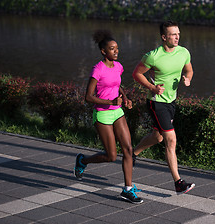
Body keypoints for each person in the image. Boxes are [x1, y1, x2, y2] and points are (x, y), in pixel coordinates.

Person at [74, 30, 143, 204]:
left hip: (117, 111)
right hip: (103, 114)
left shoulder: (118, 66)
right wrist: (109, 101)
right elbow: (88, 97)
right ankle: (83, 160)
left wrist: (125, 98)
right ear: (103, 51)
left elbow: (117, 85)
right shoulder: (97, 69)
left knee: (128, 149)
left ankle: (128, 189)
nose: (116, 51)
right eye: (112, 49)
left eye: (117, 49)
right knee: (111, 156)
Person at [132, 20, 195, 194]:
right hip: (156, 102)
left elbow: (189, 70)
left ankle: (132, 154)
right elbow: (136, 73)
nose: (177, 37)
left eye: (178, 33)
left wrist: (188, 78)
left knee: (157, 137)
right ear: (164, 37)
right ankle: (178, 183)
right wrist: (152, 87)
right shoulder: (153, 56)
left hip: (171, 102)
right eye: (173, 34)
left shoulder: (183, 52)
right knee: (171, 139)